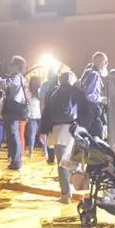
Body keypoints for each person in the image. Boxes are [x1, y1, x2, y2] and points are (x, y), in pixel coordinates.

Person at [41, 71, 78, 203]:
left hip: (57, 130)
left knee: (62, 164)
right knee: (74, 162)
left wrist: (43, 130)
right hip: (74, 130)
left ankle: (66, 195)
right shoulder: (76, 91)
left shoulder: (54, 92)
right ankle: (78, 190)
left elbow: (46, 112)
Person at [0, 56, 28, 170]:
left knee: (13, 135)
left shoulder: (16, 77)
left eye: (12, 62)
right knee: (12, 135)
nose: (10, 64)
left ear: (17, 65)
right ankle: (14, 161)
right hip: (12, 110)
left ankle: (16, 162)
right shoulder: (16, 77)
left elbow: (2, 84)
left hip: (12, 110)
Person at [76, 52, 108, 138]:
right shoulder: (94, 75)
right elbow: (90, 95)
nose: (106, 64)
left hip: (85, 115)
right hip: (92, 114)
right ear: (99, 62)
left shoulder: (87, 73)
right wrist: (102, 99)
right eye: (105, 62)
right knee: (97, 141)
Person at [25, 75, 43, 159]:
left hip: (31, 114)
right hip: (41, 114)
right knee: (43, 133)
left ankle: (30, 153)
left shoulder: (28, 91)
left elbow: (25, 102)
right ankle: (45, 151)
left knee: (31, 134)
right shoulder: (40, 91)